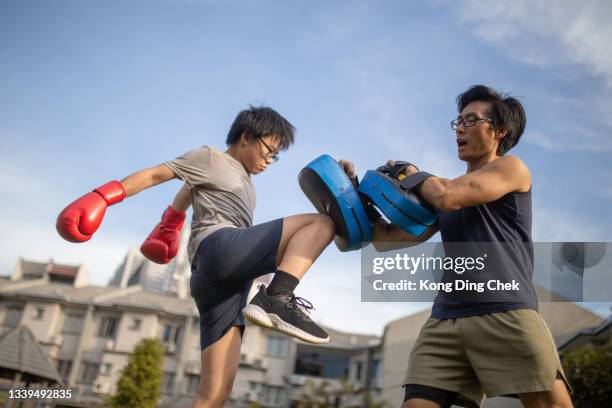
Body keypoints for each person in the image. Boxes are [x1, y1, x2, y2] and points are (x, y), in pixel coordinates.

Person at [57, 106, 335, 408]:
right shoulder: (211, 157)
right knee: (321, 224)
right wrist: (102, 196)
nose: (270, 161)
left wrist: (171, 223)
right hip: (219, 249)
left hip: (217, 283)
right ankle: (277, 298)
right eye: (269, 150)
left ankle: (271, 299)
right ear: (245, 137)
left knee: (215, 392)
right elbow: (154, 174)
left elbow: (188, 189)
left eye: (276, 156)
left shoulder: (243, 181)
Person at [340, 85, 573, 408]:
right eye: (458, 121)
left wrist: (410, 173)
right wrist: (349, 195)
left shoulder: (512, 169)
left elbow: (449, 195)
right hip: (445, 320)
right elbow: (384, 239)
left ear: (499, 131)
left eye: (471, 120)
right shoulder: (441, 194)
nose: (460, 128)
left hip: (505, 310)